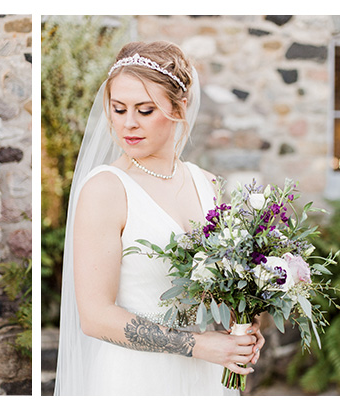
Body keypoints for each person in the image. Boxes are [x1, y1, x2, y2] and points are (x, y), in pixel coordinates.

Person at [54, 41, 266, 395]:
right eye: (118, 109)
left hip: (206, 377)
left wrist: (244, 325)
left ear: (179, 107)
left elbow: (224, 287)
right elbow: (95, 316)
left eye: (145, 110)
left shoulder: (207, 184)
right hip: (136, 379)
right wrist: (197, 345)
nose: (128, 123)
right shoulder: (106, 189)